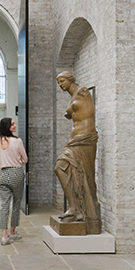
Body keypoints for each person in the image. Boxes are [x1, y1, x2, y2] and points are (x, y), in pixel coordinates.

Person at [54, 71, 102, 234]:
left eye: (62, 81)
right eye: (59, 82)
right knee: (62, 169)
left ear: (70, 80)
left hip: (85, 139)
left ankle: (89, 216)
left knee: (84, 176)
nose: (60, 85)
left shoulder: (82, 92)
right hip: (75, 140)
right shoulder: (74, 95)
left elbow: (85, 111)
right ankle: (75, 208)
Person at [0, 116, 27, 245]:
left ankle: (4, 235)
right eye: (12, 124)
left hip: (3, 174)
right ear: (7, 127)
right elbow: (25, 159)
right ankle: (13, 231)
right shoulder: (17, 141)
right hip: (16, 173)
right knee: (16, 204)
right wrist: (18, 161)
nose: (15, 126)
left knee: (4, 206)